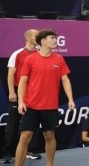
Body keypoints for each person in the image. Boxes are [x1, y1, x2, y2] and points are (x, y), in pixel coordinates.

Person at [15, 29, 76, 166]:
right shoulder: (30, 59)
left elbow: (65, 80)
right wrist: (20, 102)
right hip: (31, 105)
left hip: (50, 106)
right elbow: (22, 82)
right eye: (52, 38)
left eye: (55, 38)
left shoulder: (59, 59)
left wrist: (70, 99)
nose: (55, 40)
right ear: (43, 41)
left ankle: (50, 164)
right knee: (25, 137)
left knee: (49, 136)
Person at [1, 29, 42, 164]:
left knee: (32, 123)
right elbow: (10, 75)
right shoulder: (17, 54)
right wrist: (12, 92)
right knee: (13, 123)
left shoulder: (40, 53)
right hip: (19, 91)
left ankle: (30, 150)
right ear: (28, 38)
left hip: (34, 92)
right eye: (36, 35)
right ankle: (7, 153)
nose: (38, 37)